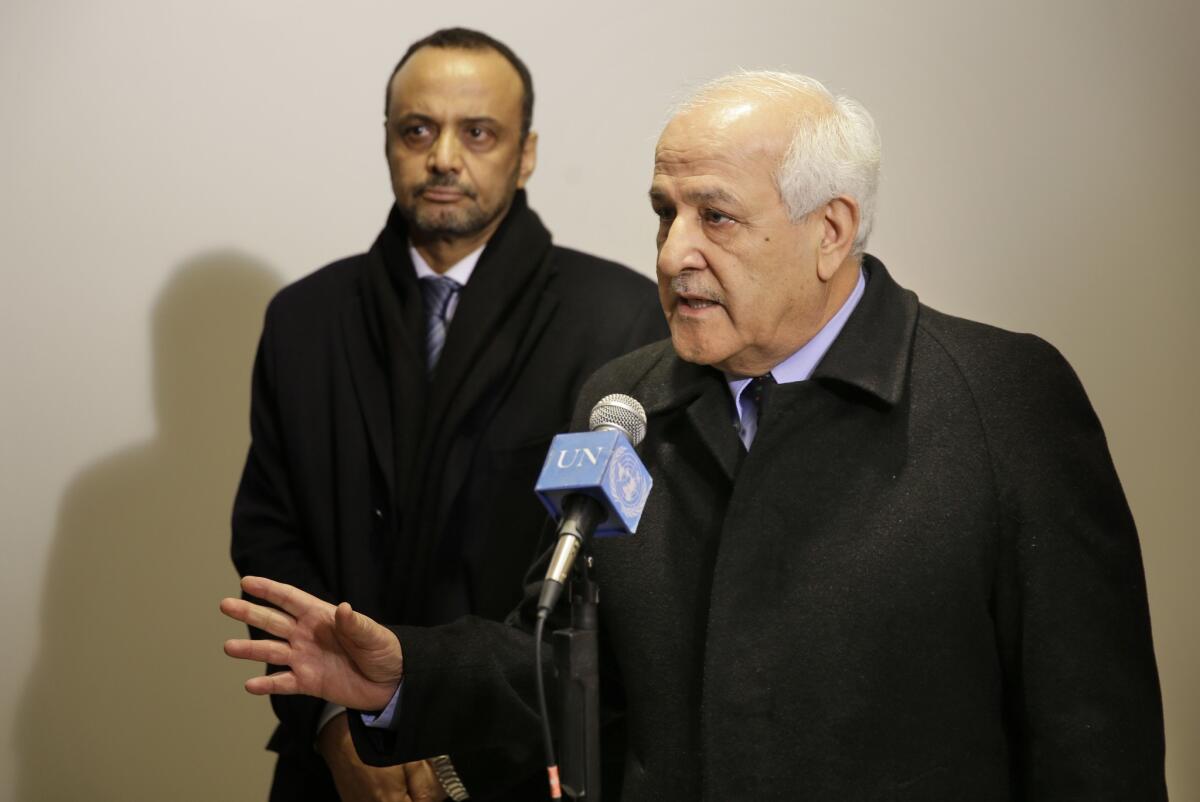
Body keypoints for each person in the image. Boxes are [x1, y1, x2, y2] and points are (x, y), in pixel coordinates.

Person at [223, 70, 1167, 800]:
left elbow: (1095, 740)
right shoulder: (623, 399)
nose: (674, 253)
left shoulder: (1005, 398)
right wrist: (408, 674)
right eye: (664, 214)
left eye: (715, 216)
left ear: (830, 231)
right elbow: (566, 661)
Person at [229, 27, 667, 802]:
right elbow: (271, 536)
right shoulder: (304, 319)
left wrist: (444, 739)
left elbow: (616, 588)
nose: (443, 158)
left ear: (525, 152)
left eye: (479, 132)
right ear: (390, 143)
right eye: (418, 130)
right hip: (330, 765)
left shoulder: (620, 322)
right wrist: (334, 719)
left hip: (520, 765)